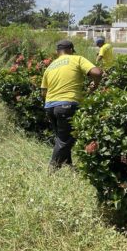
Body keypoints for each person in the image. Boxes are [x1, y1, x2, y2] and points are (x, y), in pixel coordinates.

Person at [41, 40, 102, 170]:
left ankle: (68, 165)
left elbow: (43, 92)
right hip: (67, 105)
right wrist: (95, 84)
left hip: (50, 106)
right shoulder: (77, 59)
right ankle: (52, 171)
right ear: (71, 50)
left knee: (62, 138)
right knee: (65, 140)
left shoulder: (50, 66)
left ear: (58, 52)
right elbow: (97, 72)